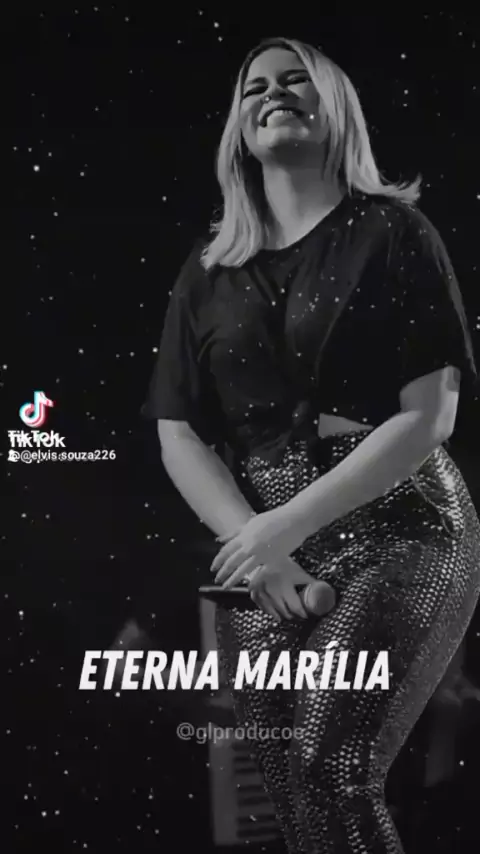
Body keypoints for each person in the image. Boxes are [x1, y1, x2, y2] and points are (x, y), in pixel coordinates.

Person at [142, 36, 480, 854]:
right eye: (255, 86)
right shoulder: (206, 271)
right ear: (238, 126)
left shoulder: (395, 232)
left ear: (338, 111)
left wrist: (282, 527)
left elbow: (428, 418)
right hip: (263, 552)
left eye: (297, 80)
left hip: (401, 526)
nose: (275, 92)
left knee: (333, 768)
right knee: (289, 787)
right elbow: (177, 431)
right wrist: (259, 547)